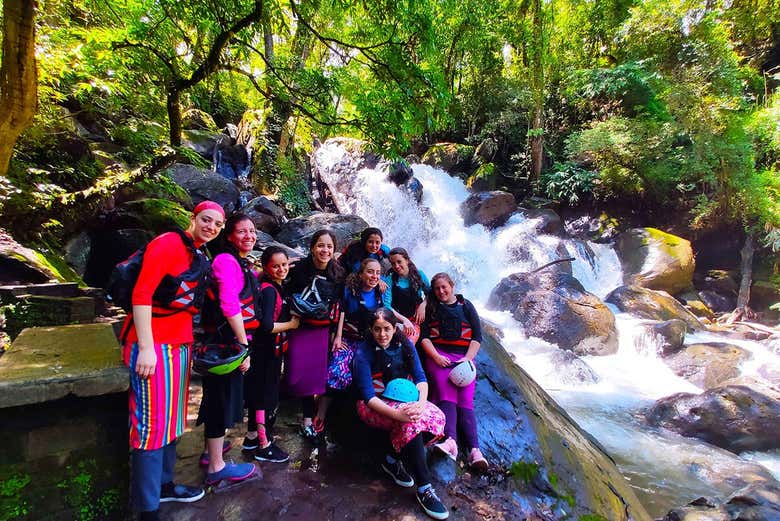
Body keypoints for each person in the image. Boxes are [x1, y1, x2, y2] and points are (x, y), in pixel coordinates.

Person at [121, 200, 224, 521]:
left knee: (173, 421)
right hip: (152, 344)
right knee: (151, 424)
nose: (211, 227)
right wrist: (147, 347)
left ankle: (164, 484)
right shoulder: (166, 244)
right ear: (193, 219)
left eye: (218, 225)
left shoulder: (198, 254)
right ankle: (147, 508)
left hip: (180, 345)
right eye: (207, 220)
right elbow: (141, 295)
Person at [353, 307, 449, 520]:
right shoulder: (363, 353)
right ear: (371, 329)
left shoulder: (403, 343)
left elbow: (420, 377)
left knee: (437, 418)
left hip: (403, 399)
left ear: (394, 327)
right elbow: (368, 397)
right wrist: (401, 416)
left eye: (387, 328)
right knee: (411, 424)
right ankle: (425, 489)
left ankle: (391, 458)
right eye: (377, 329)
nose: (382, 334)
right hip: (373, 404)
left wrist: (421, 404)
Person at [195, 213, 259, 485]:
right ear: (229, 236)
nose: (249, 236)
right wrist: (243, 345)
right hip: (224, 345)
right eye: (242, 231)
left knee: (217, 397)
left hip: (222, 341)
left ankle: (213, 451)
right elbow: (229, 305)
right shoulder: (225, 261)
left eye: (252, 231)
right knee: (219, 400)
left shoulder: (236, 262)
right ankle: (216, 468)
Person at [419, 273, 488, 473]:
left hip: (463, 358)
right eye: (437, 288)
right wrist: (436, 357)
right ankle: (451, 441)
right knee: (446, 392)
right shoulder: (431, 307)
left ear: (452, 285)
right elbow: (424, 337)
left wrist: (467, 358)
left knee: (466, 399)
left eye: (444, 287)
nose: (441, 291)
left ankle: (475, 451)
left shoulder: (466, 306)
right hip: (439, 356)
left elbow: (477, 336)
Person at [284, 230, 345, 442]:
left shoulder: (338, 273)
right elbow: (283, 289)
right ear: (312, 247)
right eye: (320, 245)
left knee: (314, 376)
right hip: (299, 328)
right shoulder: (299, 268)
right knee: (296, 373)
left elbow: (341, 307)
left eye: (329, 246)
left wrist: (337, 335)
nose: (324, 250)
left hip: (322, 331)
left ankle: (308, 421)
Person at [242, 246, 300, 462]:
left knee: (259, 394)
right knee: (264, 398)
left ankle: (251, 438)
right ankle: (264, 445)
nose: (281, 269)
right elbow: (265, 326)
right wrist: (291, 325)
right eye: (275, 266)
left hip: (266, 352)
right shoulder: (268, 290)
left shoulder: (274, 286)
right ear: (265, 267)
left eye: (284, 265)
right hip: (265, 352)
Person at [384, 247, 430, 344]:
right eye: (393, 263)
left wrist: (424, 305)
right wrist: (404, 320)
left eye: (399, 261)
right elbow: (387, 305)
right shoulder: (390, 279)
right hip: (397, 318)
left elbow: (430, 293)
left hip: (416, 318)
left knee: (412, 342)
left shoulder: (419, 274)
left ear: (407, 260)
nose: (396, 266)